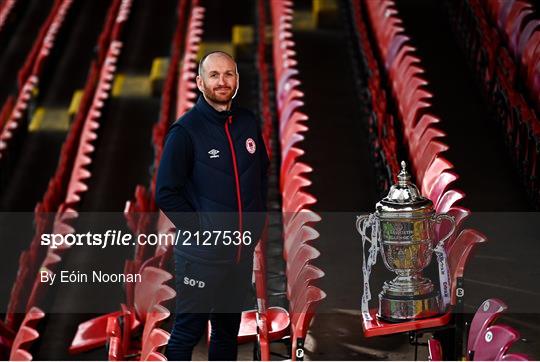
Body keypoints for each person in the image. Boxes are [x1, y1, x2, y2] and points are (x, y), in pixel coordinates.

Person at [156, 51, 269, 361]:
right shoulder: (185, 131)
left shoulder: (246, 122)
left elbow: (261, 174)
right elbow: (166, 192)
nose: (222, 81)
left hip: (239, 253)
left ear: (237, 80)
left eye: (229, 74)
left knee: (226, 331)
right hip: (200, 257)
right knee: (187, 333)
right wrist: (204, 232)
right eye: (214, 75)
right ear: (200, 82)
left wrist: (256, 223)